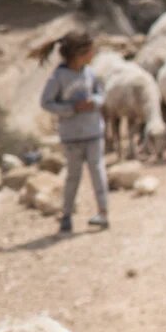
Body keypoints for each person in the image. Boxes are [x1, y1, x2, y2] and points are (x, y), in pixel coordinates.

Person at [39, 32, 109, 234]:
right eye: (90, 50)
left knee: (98, 173)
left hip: (93, 132)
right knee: (73, 176)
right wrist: (71, 108)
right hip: (72, 135)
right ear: (80, 53)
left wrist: (94, 102)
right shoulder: (58, 77)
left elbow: (101, 94)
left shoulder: (90, 74)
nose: (93, 54)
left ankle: (103, 213)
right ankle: (66, 216)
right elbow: (46, 102)